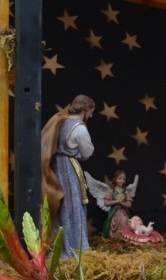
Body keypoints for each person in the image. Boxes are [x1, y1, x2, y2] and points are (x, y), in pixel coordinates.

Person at [40, 94, 96, 258]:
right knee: (73, 205)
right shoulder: (80, 128)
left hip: (56, 168)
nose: (91, 115)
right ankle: (75, 248)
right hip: (70, 169)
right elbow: (87, 152)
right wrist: (76, 152)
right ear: (85, 110)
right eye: (91, 111)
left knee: (61, 205)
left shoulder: (62, 121)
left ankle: (60, 246)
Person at [102, 169, 133, 238]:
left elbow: (129, 204)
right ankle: (114, 239)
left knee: (125, 220)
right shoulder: (111, 190)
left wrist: (121, 203)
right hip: (114, 212)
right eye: (119, 178)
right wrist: (116, 201)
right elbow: (106, 203)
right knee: (114, 221)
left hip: (124, 212)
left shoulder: (126, 191)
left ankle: (124, 238)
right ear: (115, 179)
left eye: (123, 179)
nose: (122, 181)